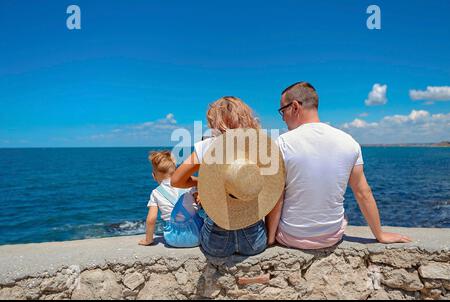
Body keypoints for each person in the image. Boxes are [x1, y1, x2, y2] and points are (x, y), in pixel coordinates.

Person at [266, 81, 412, 249]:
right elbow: (363, 192)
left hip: (291, 237)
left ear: (296, 106)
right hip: (332, 236)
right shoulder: (349, 142)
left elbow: (276, 198)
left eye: (283, 111)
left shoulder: (281, 143)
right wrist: (379, 234)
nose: (283, 117)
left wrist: (270, 240)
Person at [171, 97, 284, 257]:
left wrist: (201, 182)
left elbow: (176, 180)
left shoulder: (206, 147)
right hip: (254, 241)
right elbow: (273, 189)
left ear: (215, 122)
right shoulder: (260, 147)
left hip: (216, 242)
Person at [138, 151, 201, 246]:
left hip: (172, 239)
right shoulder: (189, 186)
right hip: (197, 235)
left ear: (154, 176)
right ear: (176, 172)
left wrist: (148, 240)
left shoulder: (156, 193)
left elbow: (151, 219)